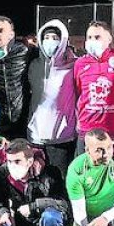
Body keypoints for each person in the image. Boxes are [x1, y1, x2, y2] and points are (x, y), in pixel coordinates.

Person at [72, 20, 114, 153]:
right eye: (89, 37)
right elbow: (79, 91)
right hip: (86, 131)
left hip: (113, 132)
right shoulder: (80, 63)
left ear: (109, 39)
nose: (92, 41)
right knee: (86, 172)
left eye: (97, 37)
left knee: (113, 172)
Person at [26, 19, 79, 170]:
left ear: (63, 40)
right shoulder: (33, 65)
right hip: (35, 136)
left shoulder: (73, 66)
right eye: (46, 37)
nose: (50, 42)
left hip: (62, 138)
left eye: (55, 38)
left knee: (59, 186)